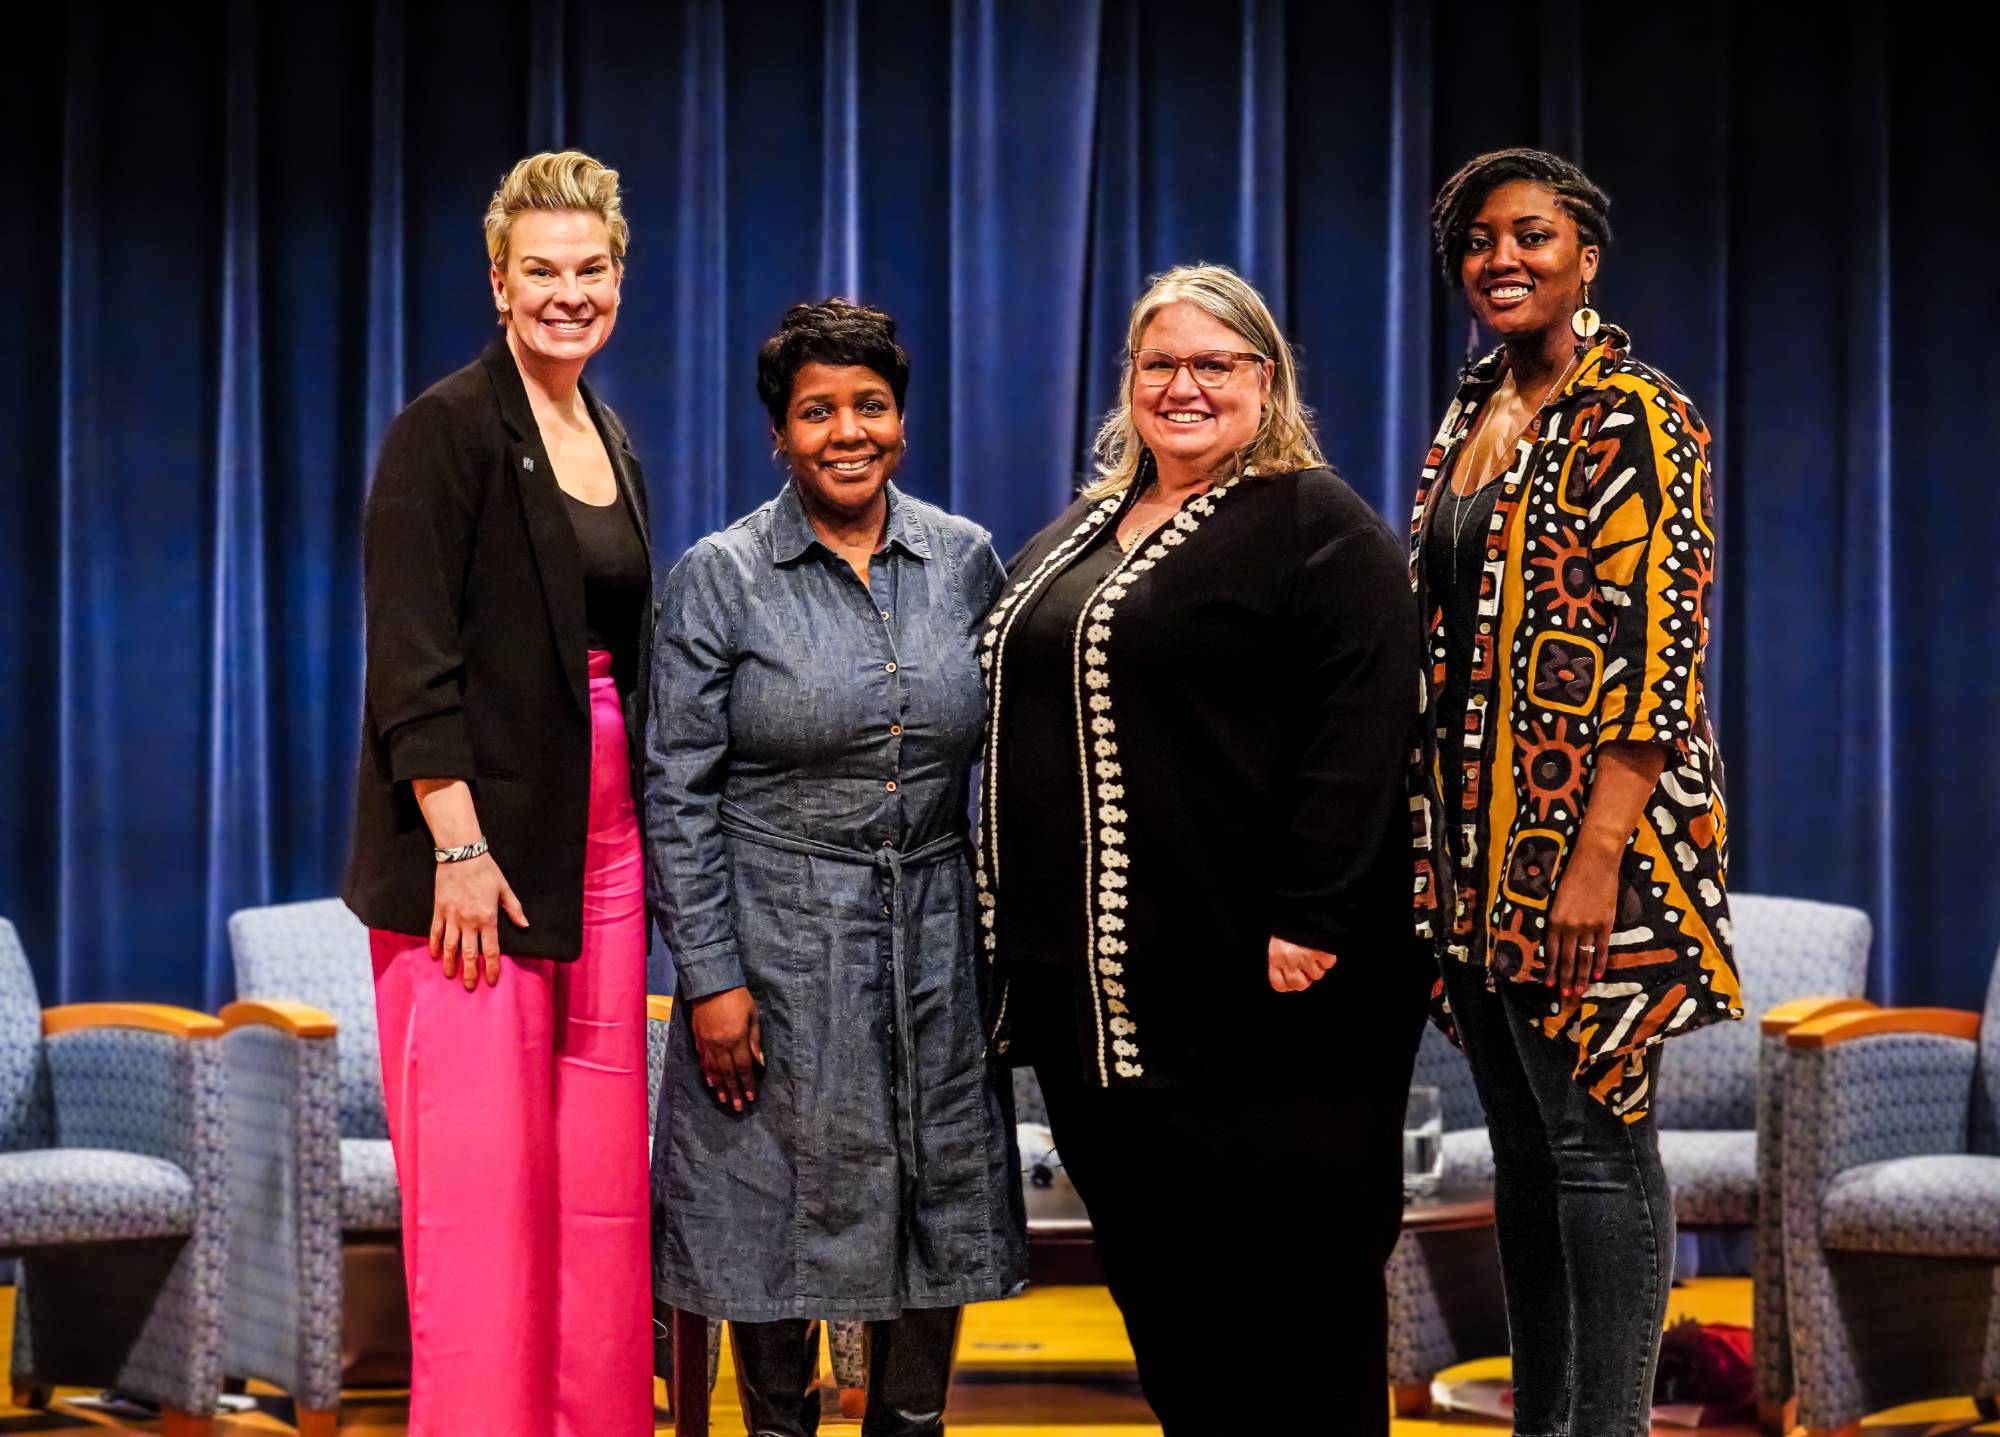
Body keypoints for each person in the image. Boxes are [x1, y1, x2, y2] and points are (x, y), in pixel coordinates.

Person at [980, 263, 1428, 1434]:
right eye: (1157, 364)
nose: (1182, 387)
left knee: (1293, 1306)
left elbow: (1367, 721)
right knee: (1172, 1309)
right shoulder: (1081, 524)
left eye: (1211, 365)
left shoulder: (1314, 523)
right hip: (1106, 1013)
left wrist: (1315, 915)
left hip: (1266, 1003)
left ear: (1263, 381)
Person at [645, 299, 1026, 1437]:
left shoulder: (960, 559)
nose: (846, 430)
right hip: (773, 950)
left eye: (869, 405)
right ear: (779, 435)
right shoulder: (723, 576)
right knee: (769, 1216)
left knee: (930, 1205)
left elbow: (1009, 756)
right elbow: (675, 787)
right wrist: (709, 978)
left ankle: (909, 1427)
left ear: (901, 418)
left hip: (935, 942)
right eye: (817, 411)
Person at [1411, 147, 1743, 1437]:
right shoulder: (1469, 412)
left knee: (1596, 1152)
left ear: (1583, 258)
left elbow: (1660, 661)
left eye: (1531, 236)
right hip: (1479, 850)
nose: (1502, 258)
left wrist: (1593, 857)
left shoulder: (1634, 414)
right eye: (1479, 242)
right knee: (1530, 1169)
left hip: (1597, 846)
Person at [342, 150, 654, 1436]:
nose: (566, 294)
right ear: (498, 280)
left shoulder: (607, 431)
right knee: (484, 1212)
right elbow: (411, 663)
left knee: (595, 1195)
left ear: (619, 280)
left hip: (606, 851)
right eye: (542, 272)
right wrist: (457, 851)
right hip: (475, 857)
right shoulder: (446, 426)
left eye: (590, 271)